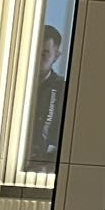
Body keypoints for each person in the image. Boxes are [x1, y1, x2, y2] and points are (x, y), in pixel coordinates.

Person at [29, 23, 65, 165]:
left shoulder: (61, 89)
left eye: (44, 54)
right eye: (34, 51)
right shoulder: (14, 83)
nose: (37, 58)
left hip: (44, 162)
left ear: (56, 56)